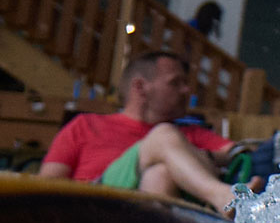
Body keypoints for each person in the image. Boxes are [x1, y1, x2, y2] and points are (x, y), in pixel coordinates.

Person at [39, 49, 244, 213]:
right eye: (175, 83)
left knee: (160, 173)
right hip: (95, 209)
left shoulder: (192, 133)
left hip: (147, 220)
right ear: (140, 87)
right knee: (163, 135)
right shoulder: (86, 124)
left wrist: (202, 155)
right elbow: (48, 188)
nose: (186, 90)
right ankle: (224, 197)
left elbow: (241, 154)